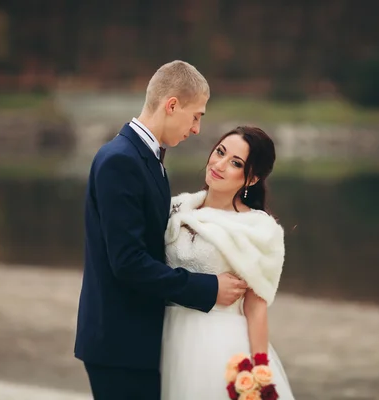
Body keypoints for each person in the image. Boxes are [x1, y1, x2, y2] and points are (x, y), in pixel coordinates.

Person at [74, 60, 248, 400]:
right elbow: (128, 262)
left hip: (138, 341)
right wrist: (207, 288)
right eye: (196, 115)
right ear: (172, 105)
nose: (197, 128)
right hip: (119, 344)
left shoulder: (148, 159)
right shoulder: (121, 161)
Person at [161, 126, 296, 399]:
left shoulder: (257, 229)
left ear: (252, 178)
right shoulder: (176, 208)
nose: (219, 165)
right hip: (163, 335)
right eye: (220, 152)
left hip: (217, 344)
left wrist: (259, 371)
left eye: (235, 163)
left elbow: (256, 308)